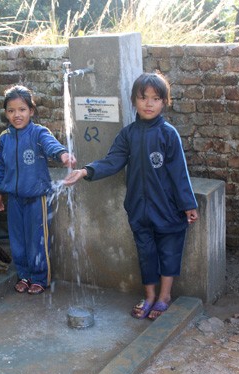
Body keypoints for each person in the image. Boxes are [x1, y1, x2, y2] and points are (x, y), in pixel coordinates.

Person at [64, 72, 198, 319]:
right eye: (143, 97)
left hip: (167, 207)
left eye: (155, 98)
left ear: (164, 102)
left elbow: (180, 173)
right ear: (134, 100)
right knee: (146, 253)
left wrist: (188, 204)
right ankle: (149, 296)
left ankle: (164, 296)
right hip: (139, 208)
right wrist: (85, 171)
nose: (149, 104)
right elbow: (113, 160)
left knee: (169, 251)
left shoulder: (168, 134)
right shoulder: (128, 134)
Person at [0, 85, 76, 295]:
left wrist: (62, 155)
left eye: (22, 109)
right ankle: (24, 275)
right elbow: (1, 167)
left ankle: (39, 278)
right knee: (17, 241)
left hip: (37, 198)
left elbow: (51, 145)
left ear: (31, 111)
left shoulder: (38, 133)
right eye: (11, 111)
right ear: (6, 113)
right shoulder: (5, 137)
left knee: (37, 240)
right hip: (14, 199)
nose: (17, 115)